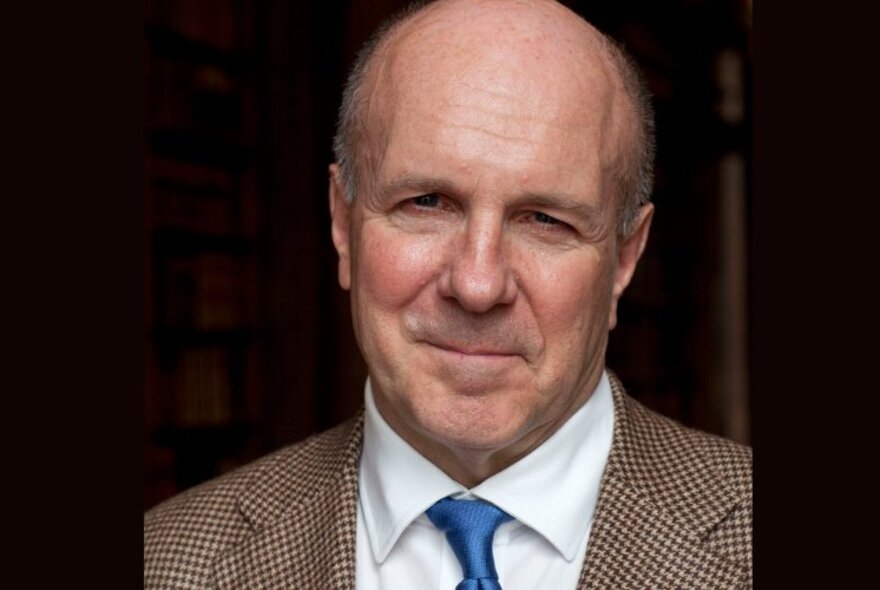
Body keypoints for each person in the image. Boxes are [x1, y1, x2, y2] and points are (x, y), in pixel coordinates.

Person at [144, 0, 752, 588]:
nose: (478, 284)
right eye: (426, 203)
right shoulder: (165, 563)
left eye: (545, 219)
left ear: (625, 257)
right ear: (342, 225)